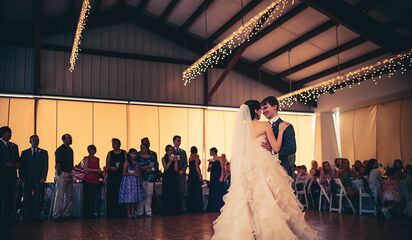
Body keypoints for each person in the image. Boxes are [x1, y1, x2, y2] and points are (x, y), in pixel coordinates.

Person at [212, 100, 317, 239]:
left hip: (248, 167)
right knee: (270, 199)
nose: (262, 111)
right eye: (260, 109)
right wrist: (280, 131)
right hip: (264, 164)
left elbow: (241, 151)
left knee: (246, 200)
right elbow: (277, 148)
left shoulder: (242, 128)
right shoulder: (264, 125)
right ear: (256, 111)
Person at [260, 96, 297, 177]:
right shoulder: (262, 127)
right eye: (262, 109)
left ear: (275, 106)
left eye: (265, 108)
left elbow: (291, 149)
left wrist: (272, 150)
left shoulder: (287, 126)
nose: (263, 111)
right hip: (265, 169)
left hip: (281, 168)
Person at [20, 135, 48, 222]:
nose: (36, 141)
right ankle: (27, 216)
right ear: (30, 141)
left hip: (38, 179)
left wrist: (43, 177)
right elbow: (22, 166)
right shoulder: (24, 153)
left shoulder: (44, 152)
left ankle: (37, 215)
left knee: (37, 198)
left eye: (37, 140)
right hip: (27, 179)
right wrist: (22, 177)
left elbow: (45, 166)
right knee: (27, 197)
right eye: (34, 140)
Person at [0, 126, 20, 223]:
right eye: (9, 133)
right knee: (2, 196)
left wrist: (18, 164)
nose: (10, 135)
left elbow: (17, 158)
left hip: (12, 176)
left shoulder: (14, 146)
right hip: (2, 175)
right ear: (3, 134)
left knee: (11, 196)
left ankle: (9, 216)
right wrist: (6, 164)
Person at [119, 148, 146, 218]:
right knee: (129, 198)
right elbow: (124, 173)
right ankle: (128, 213)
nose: (135, 155)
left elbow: (139, 173)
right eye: (133, 153)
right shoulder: (126, 162)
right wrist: (132, 174)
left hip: (135, 182)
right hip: (128, 182)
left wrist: (140, 182)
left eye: (136, 154)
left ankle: (133, 212)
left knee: (134, 197)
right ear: (129, 154)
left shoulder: (137, 163)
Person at [53, 134, 74, 221]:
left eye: (70, 138)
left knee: (69, 195)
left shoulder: (70, 150)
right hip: (63, 173)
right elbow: (58, 162)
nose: (71, 139)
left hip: (69, 173)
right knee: (60, 195)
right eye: (69, 138)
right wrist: (59, 174)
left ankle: (66, 213)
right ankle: (56, 215)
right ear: (63, 140)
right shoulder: (60, 149)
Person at [105, 138, 127, 217]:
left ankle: (121, 212)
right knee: (112, 193)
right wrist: (111, 168)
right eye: (113, 144)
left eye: (115, 143)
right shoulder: (110, 153)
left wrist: (121, 166)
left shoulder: (124, 152)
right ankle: (111, 212)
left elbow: (126, 163)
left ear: (119, 144)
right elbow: (107, 165)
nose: (114, 145)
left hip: (121, 175)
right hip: (112, 175)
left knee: (121, 192)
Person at [137, 143, 159, 217]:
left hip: (150, 177)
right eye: (141, 148)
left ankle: (148, 211)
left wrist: (146, 168)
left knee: (149, 194)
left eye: (143, 148)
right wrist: (146, 167)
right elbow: (137, 166)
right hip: (141, 177)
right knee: (141, 194)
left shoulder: (152, 157)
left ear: (147, 148)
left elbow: (154, 166)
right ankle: (140, 211)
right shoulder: (138, 157)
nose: (142, 149)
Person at [82, 145, 101, 219]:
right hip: (88, 179)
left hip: (95, 180)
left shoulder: (97, 159)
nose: (91, 151)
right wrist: (95, 170)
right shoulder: (86, 158)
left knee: (93, 198)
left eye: (92, 150)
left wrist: (99, 172)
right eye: (89, 150)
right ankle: (86, 213)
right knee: (87, 198)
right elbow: (85, 169)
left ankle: (92, 212)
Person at [161, 145, 180, 215]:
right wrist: (170, 161)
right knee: (167, 193)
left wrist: (176, 162)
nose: (170, 151)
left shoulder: (175, 157)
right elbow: (165, 169)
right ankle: (166, 210)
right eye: (169, 150)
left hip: (173, 177)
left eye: (171, 150)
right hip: (167, 177)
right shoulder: (163, 158)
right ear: (166, 151)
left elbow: (176, 169)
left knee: (174, 193)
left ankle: (174, 210)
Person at [207, 147, 225, 212]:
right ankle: (213, 207)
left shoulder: (220, 158)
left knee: (219, 191)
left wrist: (222, 176)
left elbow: (222, 168)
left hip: (218, 176)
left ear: (213, 151)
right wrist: (210, 165)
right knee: (213, 191)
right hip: (213, 177)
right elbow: (208, 170)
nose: (209, 153)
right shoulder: (211, 160)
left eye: (210, 151)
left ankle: (219, 206)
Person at [172, 135, 188, 213]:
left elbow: (185, 163)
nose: (179, 142)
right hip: (173, 175)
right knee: (174, 192)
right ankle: (175, 208)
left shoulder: (183, 152)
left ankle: (182, 208)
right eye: (178, 140)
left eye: (180, 140)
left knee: (182, 192)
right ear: (174, 141)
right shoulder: (171, 151)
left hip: (181, 175)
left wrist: (182, 171)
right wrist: (176, 171)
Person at [187, 146, 203, 213]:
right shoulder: (196, 156)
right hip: (195, 175)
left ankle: (191, 207)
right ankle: (197, 208)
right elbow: (197, 166)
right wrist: (200, 174)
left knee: (192, 191)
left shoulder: (190, 157)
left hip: (191, 175)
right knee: (197, 190)